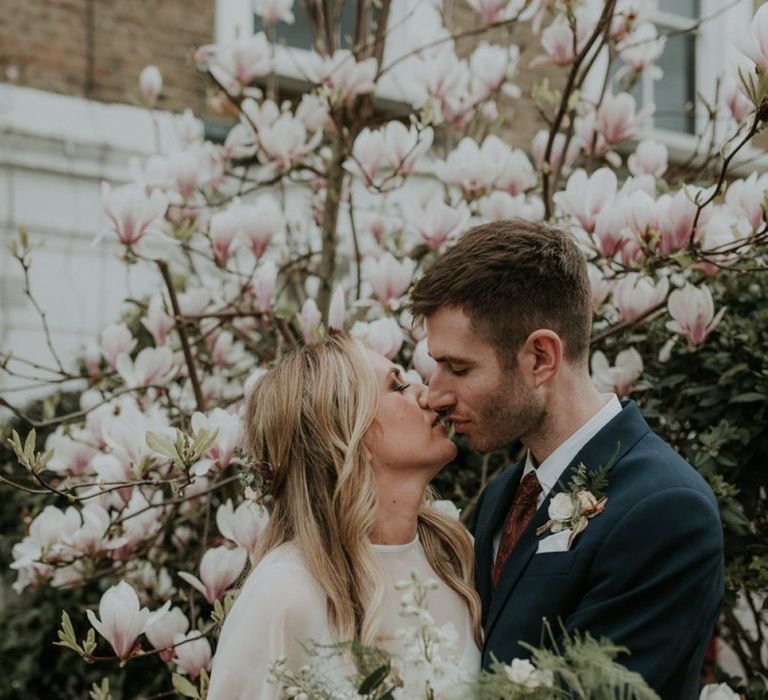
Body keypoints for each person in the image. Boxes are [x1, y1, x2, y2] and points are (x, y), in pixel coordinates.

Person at [410, 219, 725, 700]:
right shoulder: (502, 497)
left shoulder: (667, 511)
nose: (436, 395)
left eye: (458, 367)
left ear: (540, 357)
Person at [206, 333, 481, 699]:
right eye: (398, 387)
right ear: (348, 432)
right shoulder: (285, 593)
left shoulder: (455, 556)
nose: (427, 393)